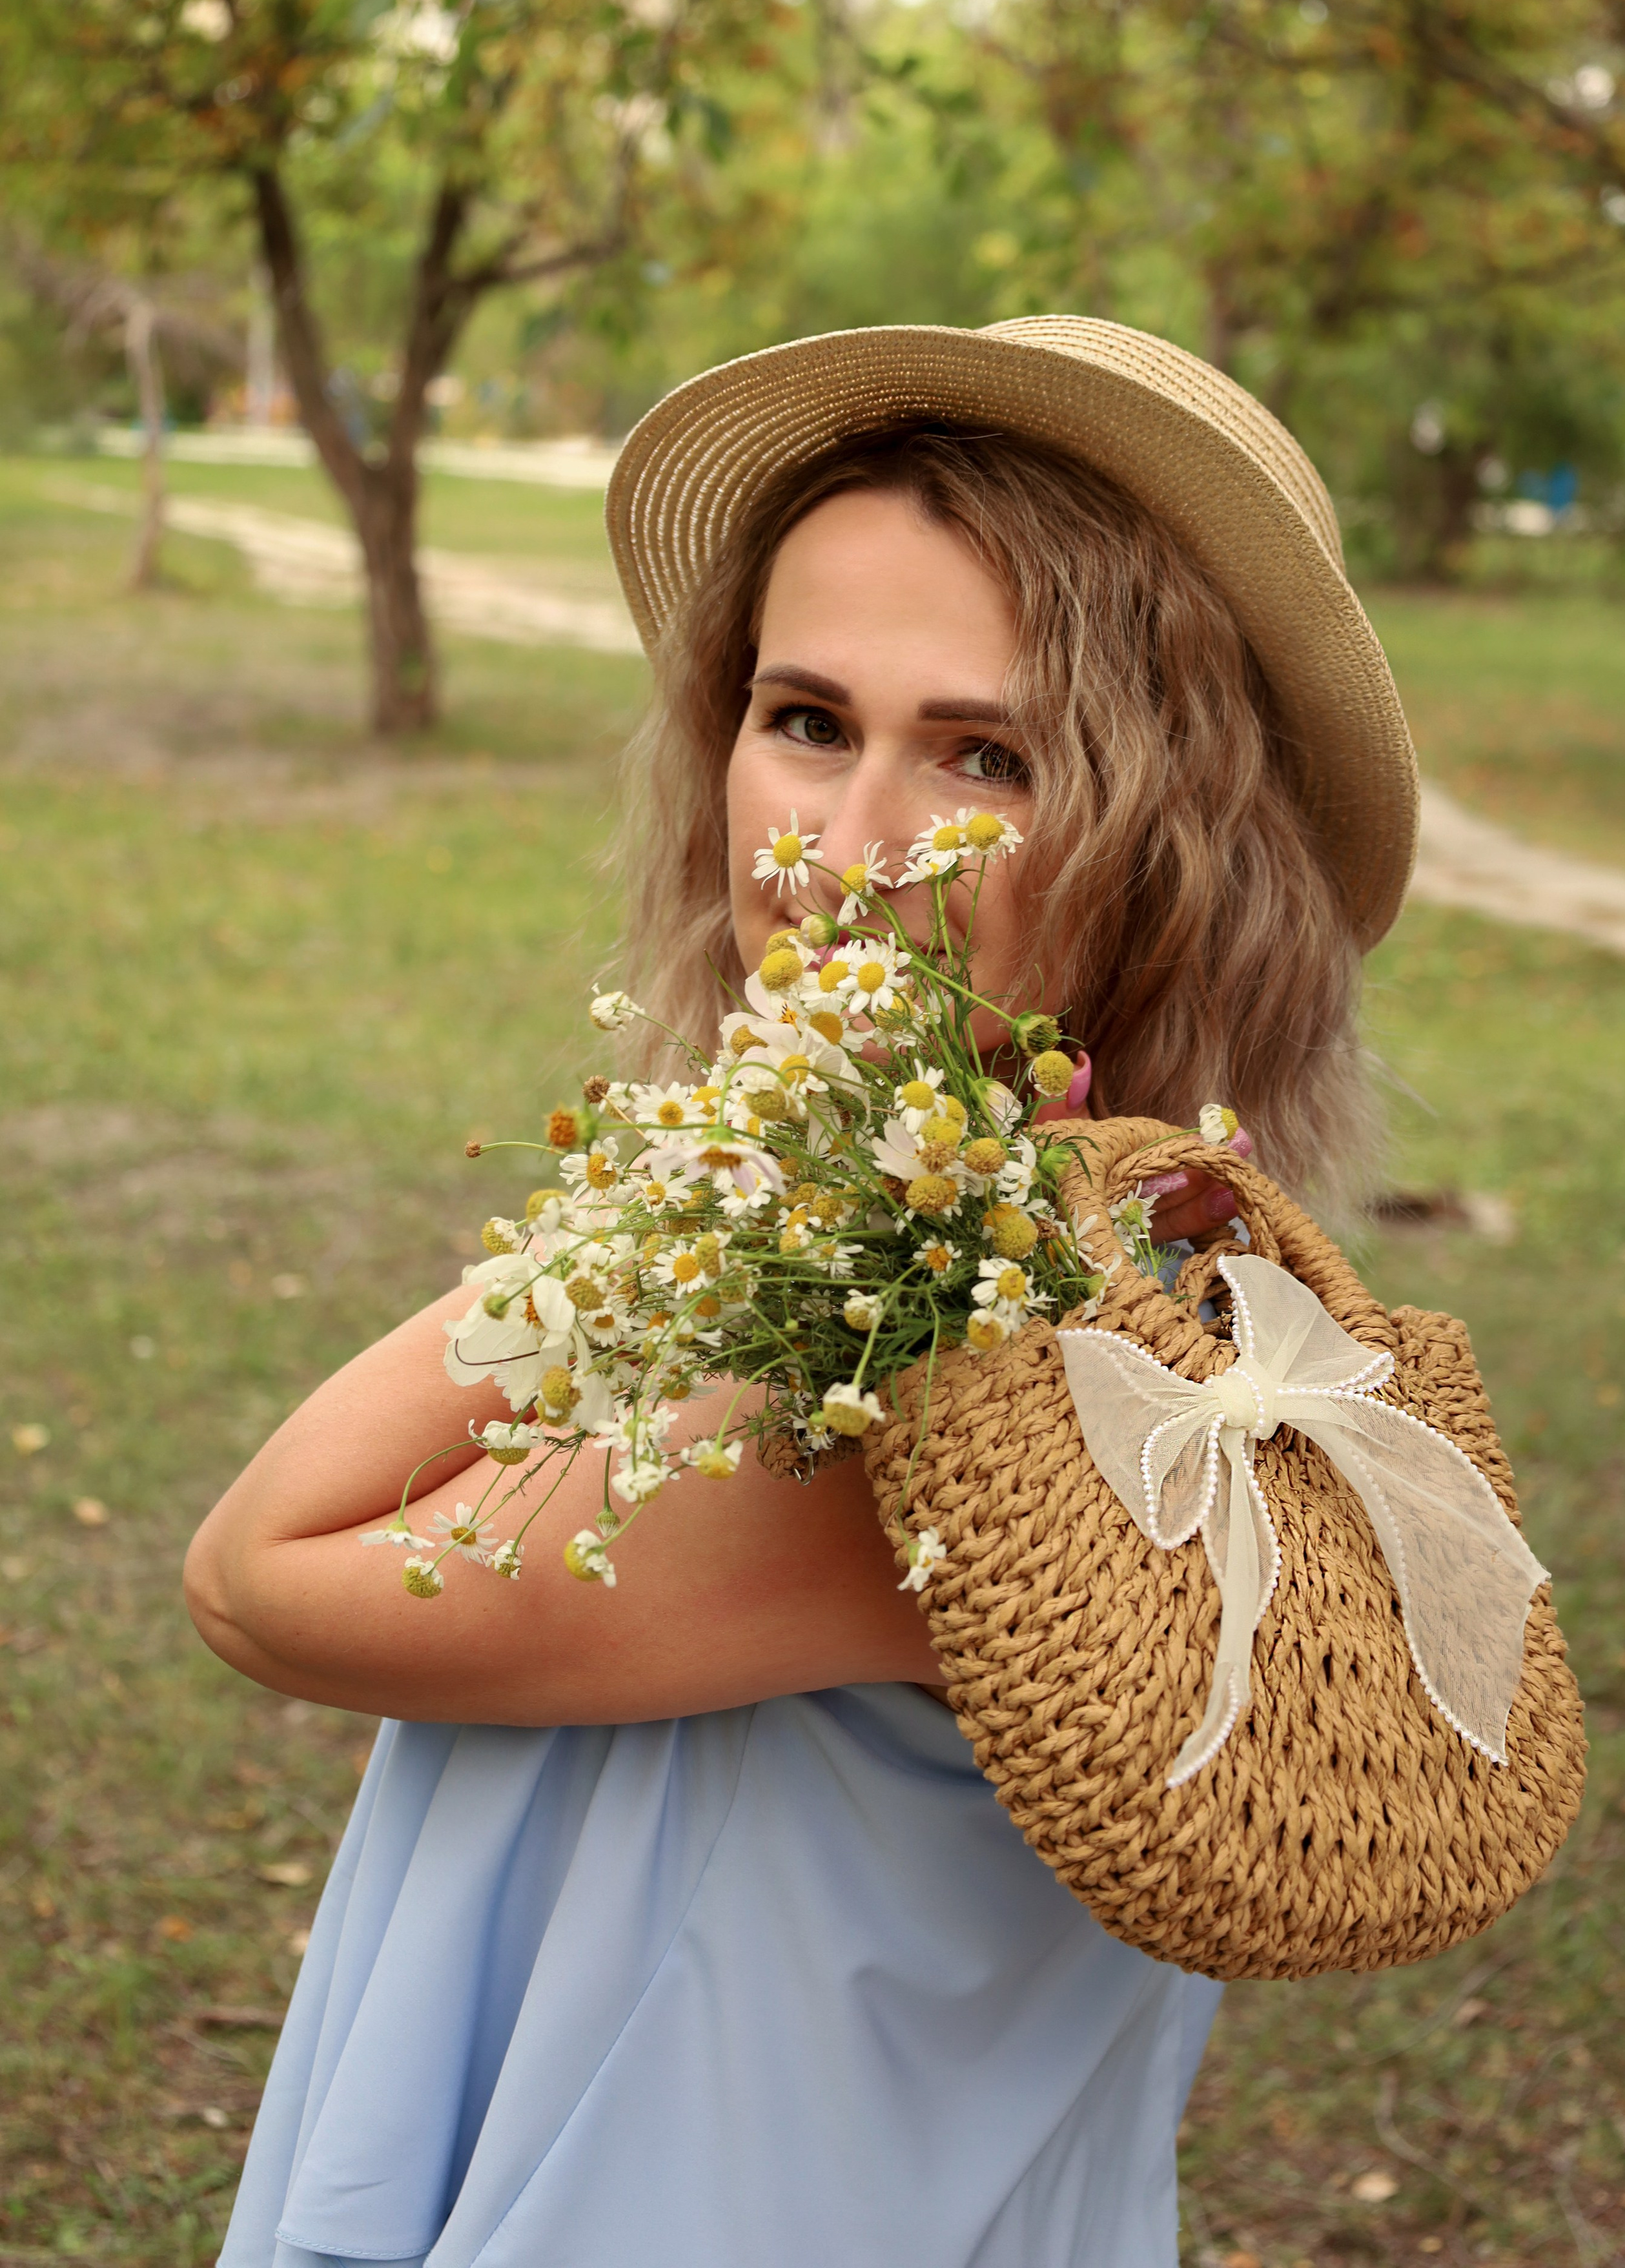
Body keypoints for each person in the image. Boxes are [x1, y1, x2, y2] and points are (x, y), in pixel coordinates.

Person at [187, 316, 1418, 2267]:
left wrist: (698, 1181)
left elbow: (261, 1569)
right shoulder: (1175, 1259)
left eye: (988, 756)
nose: (835, 859)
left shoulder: (946, 1376)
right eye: (807, 719)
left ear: (1170, 846)